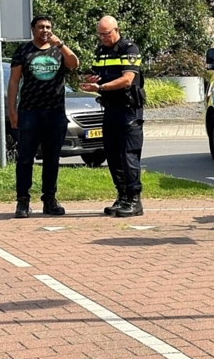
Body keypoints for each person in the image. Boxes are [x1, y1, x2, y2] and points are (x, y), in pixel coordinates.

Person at [8, 15, 79, 218]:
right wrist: (12, 111)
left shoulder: (58, 49)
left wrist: (61, 45)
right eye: (41, 27)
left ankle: (50, 200)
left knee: (52, 159)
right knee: (25, 159)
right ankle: (22, 202)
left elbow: (74, 64)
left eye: (48, 27)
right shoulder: (23, 51)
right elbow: (14, 82)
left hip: (55, 113)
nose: (45, 30)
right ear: (33, 30)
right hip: (30, 112)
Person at [80, 16, 146, 218]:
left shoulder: (129, 49)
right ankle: (122, 195)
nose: (103, 38)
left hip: (128, 109)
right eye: (100, 34)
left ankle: (134, 200)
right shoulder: (101, 51)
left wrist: (99, 87)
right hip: (110, 108)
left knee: (129, 155)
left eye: (106, 34)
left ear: (116, 30)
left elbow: (127, 80)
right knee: (112, 155)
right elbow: (95, 73)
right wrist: (91, 79)